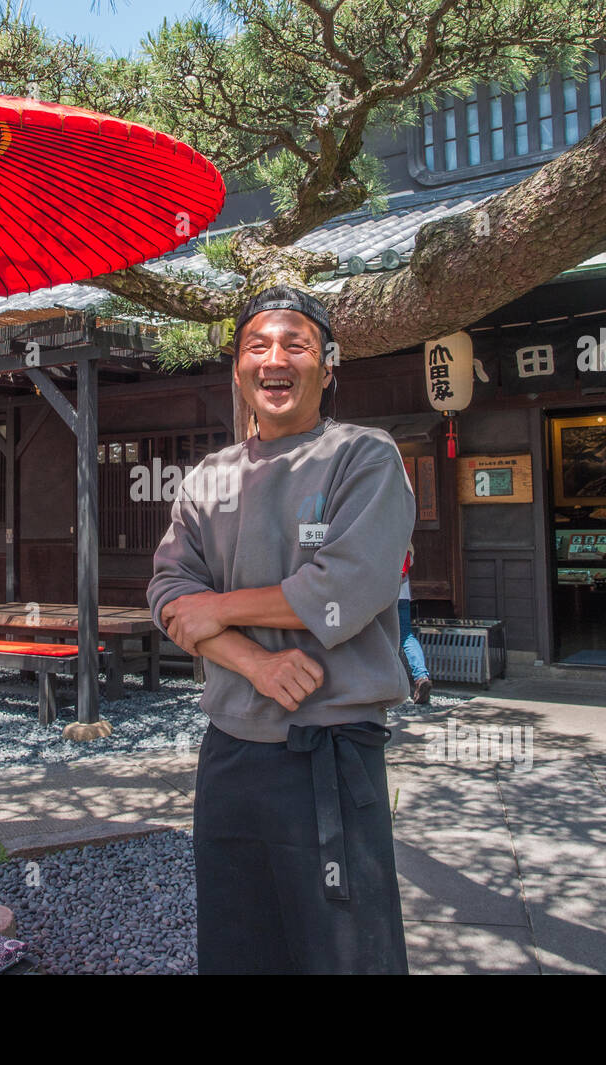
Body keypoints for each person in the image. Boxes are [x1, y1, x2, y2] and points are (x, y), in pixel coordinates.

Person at [148, 285, 415, 974]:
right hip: (231, 751)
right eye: (257, 346)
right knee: (238, 943)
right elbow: (172, 592)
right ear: (237, 368)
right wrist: (256, 664)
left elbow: (347, 585)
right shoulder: (210, 477)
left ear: (327, 367)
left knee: (345, 950)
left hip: (330, 751)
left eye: (295, 344)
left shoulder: (365, 456)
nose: (275, 359)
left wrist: (224, 607)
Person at [399, 541, 432, 704]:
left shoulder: (377, 533)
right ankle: (421, 676)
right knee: (406, 636)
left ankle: (389, 680)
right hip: (403, 595)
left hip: (383, 595)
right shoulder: (405, 542)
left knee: (382, 636)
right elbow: (410, 562)